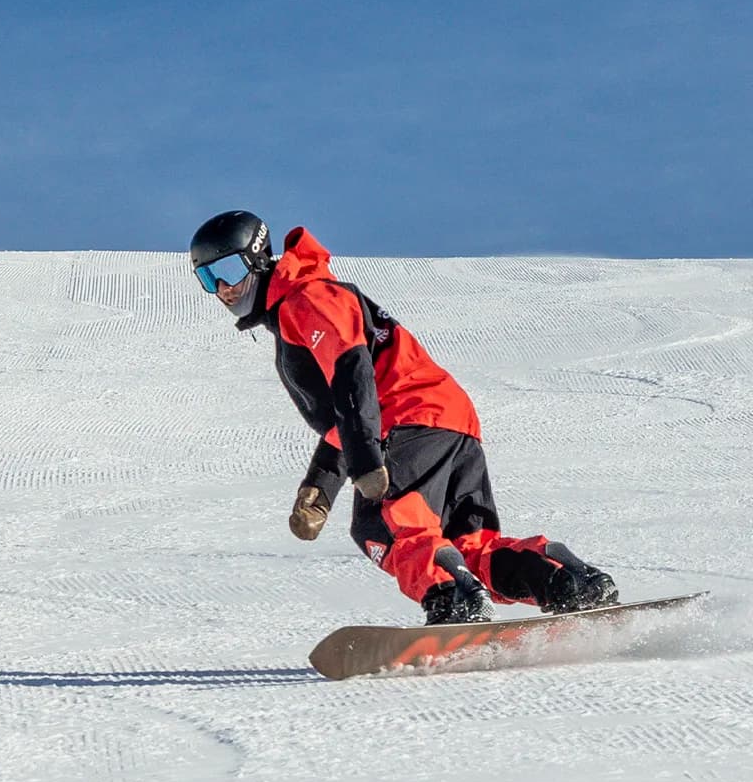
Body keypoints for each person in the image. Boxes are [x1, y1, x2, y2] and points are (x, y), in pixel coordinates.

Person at [188, 210, 618, 625]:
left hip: (409, 417)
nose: (223, 287)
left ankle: (453, 598)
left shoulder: (306, 298)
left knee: (381, 526)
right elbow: (348, 408)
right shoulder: (300, 303)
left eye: (228, 269)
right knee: (465, 545)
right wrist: (320, 487)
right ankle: (563, 580)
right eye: (208, 278)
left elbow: (352, 374)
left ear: (258, 259)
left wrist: (364, 461)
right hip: (446, 419)